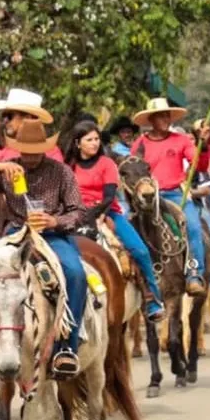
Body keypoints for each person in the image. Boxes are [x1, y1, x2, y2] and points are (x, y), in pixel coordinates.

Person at [0, 120, 88, 378]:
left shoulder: (62, 172)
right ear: (18, 149)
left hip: (52, 235)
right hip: (14, 235)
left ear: (45, 148)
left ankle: (67, 348)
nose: (30, 156)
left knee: (76, 274)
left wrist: (55, 221)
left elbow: (78, 212)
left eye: (35, 150)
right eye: (25, 151)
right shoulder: (9, 170)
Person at [63, 121, 165, 322]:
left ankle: (152, 300)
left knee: (140, 251)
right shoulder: (68, 167)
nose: (94, 143)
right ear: (77, 143)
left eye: (96, 139)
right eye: (89, 140)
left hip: (108, 213)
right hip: (75, 215)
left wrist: (96, 214)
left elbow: (109, 195)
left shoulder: (107, 164)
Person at [130, 98, 210, 304]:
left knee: (192, 226)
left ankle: (194, 273)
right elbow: (133, 171)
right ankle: (133, 276)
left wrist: (201, 145)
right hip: (148, 196)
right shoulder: (140, 144)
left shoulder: (180, 140)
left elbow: (200, 166)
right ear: (151, 119)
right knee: (126, 232)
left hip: (176, 194)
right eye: (159, 116)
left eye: (167, 115)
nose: (164, 119)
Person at [0, 88, 63, 161]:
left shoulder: (51, 154)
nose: (5, 121)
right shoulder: (5, 151)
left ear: (27, 118)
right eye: (4, 116)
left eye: (9, 116)